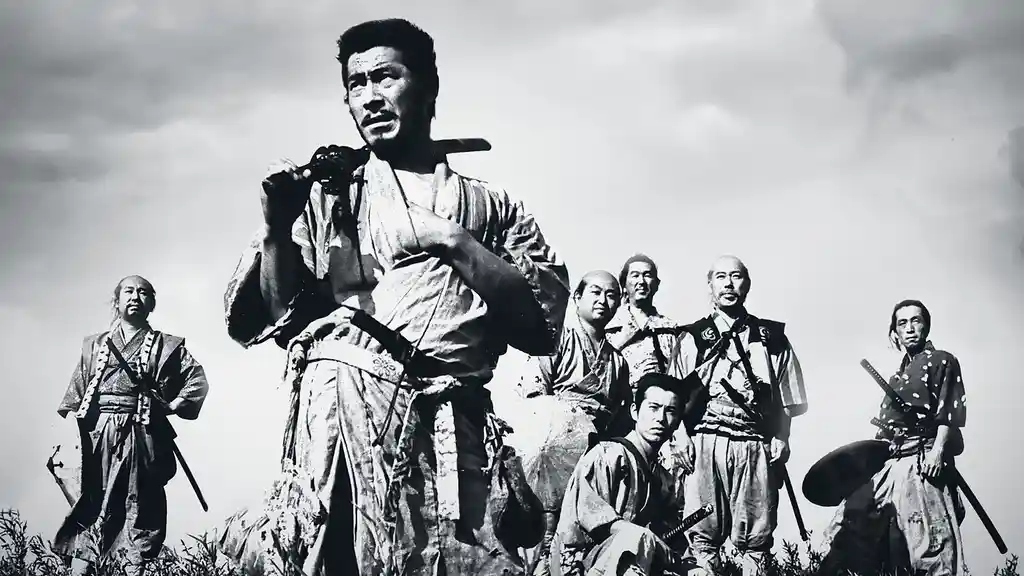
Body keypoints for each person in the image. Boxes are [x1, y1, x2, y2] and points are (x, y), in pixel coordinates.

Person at [219, 18, 570, 576]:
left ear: (429, 86)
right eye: (356, 84)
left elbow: (539, 327)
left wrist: (450, 240)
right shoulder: (327, 196)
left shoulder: (490, 206)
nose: (370, 97)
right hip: (341, 432)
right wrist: (275, 231)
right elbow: (278, 314)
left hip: (450, 429)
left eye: (386, 77)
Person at [53, 275, 210, 576]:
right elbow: (75, 395)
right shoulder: (95, 345)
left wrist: (172, 405)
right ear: (117, 301)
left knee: (140, 506)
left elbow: (197, 381)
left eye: (143, 292)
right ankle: (84, 566)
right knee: (93, 502)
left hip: (143, 435)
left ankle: (132, 568)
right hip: (99, 435)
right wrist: (67, 439)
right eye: (129, 291)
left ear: (152, 304)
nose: (135, 296)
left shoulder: (168, 346)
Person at [665, 255, 808, 576]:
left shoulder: (771, 337)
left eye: (736, 276)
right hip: (705, 440)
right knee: (701, 532)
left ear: (748, 284)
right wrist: (680, 437)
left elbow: (788, 395)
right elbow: (672, 395)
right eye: (721, 277)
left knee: (757, 535)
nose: (728, 284)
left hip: (754, 442)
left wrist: (782, 437)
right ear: (710, 285)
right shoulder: (693, 336)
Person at [816, 300, 969, 575]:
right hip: (891, 462)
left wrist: (937, 452)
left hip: (923, 461)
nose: (909, 328)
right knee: (850, 528)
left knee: (928, 547)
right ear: (894, 332)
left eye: (916, 321)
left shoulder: (942, 360)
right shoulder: (897, 376)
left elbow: (949, 411)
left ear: (926, 326)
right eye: (902, 323)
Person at [516, 271, 633, 575]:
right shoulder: (557, 341)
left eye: (611, 295)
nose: (603, 300)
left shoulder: (618, 362)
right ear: (577, 298)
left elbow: (621, 420)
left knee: (580, 540)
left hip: (595, 457)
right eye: (595, 292)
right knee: (545, 536)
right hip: (553, 445)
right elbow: (534, 395)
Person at [549, 373, 702, 576]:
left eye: (670, 411)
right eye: (653, 408)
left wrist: (690, 567)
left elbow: (672, 539)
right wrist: (645, 538)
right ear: (634, 411)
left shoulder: (662, 479)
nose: (660, 418)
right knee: (636, 539)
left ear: (678, 421)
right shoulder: (607, 456)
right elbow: (592, 523)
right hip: (582, 564)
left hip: (633, 561)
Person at [606, 255, 684, 392]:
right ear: (624, 284)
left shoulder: (672, 329)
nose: (641, 281)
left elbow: (680, 375)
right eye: (635, 275)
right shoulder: (609, 327)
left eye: (647, 275)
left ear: (657, 284)